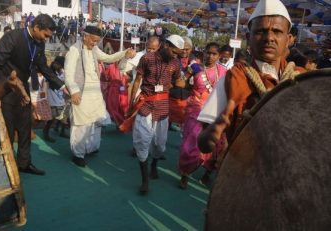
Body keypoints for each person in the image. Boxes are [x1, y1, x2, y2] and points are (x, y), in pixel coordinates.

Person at [197, 0, 305, 155]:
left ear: (289, 39)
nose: (269, 38)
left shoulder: (301, 78)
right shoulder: (234, 79)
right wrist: (210, 137)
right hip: (245, 171)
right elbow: (203, 144)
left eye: (277, 31)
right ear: (249, 37)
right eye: (260, 31)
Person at [0, 14, 64, 176]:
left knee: (24, 127)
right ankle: (6, 167)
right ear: (36, 28)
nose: (46, 39)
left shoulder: (39, 44)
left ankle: (24, 163)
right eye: (45, 35)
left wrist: (62, 85)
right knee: (6, 130)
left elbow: (44, 67)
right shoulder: (12, 37)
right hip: (6, 88)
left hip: (23, 90)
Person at [64, 25, 136, 167]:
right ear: (85, 36)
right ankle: (78, 154)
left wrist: (124, 53)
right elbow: (68, 74)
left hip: (95, 93)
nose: (95, 43)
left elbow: (108, 58)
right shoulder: (74, 50)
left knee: (95, 122)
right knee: (81, 124)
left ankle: (91, 148)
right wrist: (74, 91)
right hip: (81, 92)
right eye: (93, 40)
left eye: (97, 41)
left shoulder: (95, 49)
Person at [128, 35, 183, 195]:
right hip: (145, 104)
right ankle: (145, 180)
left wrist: (181, 83)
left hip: (163, 107)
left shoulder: (175, 63)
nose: (175, 55)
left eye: (177, 53)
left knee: (160, 144)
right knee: (142, 141)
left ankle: (154, 166)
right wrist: (132, 101)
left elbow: (178, 81)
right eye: (173, 51)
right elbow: (137, 79)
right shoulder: (147, 58)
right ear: (166, 45)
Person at [178, 42, 227, 189]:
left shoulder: (224, 72)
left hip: (215, 111)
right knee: (191, 144)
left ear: (219, 56)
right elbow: (182, 84)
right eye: (208, 53)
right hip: (195, 110)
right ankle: (185, 173)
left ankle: (206, 174)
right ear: (203, 52)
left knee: (215, 145)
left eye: (214, 54)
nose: (210, 56)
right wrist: (185, 75)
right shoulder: (195, 67)